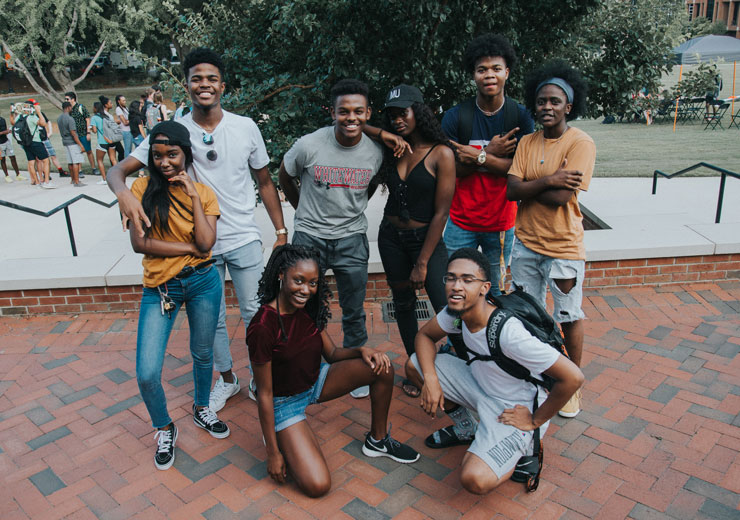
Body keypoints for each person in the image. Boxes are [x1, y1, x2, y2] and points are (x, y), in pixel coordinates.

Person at [107, 47, 288, 414]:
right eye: (196, 79)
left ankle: (260, 378)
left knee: (256, 312)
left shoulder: (245, 127)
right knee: (214, 320)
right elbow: (117, 170)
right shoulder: (173, 130)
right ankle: (227, 380)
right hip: (196, 245)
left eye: (211, 78)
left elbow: (265, 182)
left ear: (222, 84)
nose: (203, 85)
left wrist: (281, 230)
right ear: (186, 84)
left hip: (242, 237)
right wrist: (123, 195)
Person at [405, 247, 583, 495]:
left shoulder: (510, 333)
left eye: (467, 280)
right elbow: (424, 336)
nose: (457, 286)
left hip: (514, 407)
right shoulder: (455, 312)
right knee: (415, 366)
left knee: (474, 479)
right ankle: (468, 428)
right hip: (481, 385)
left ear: (484, 288)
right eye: (452, 278)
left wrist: (535, 420)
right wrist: (432, 380)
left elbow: (573, 377)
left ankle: (528, 444)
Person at [249, 244, 419, 497]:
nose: (306, 290)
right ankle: (280, 437)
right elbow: (264, 394)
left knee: (381, 368)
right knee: (318, 485)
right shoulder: (263, 326)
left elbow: (333, 354)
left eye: (313, 283)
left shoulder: (306, 308)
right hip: (284, 402)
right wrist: (272, 454)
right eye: (299, 280)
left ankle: (378, 439)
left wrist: (362, 351)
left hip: (316, 381)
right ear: (281, 274)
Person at [130, 120, 229, 471]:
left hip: (203, 281)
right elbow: (140, 243)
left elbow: (207, 244)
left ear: (186, 153)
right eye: (157, 156)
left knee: (203, 354)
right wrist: (187, 247)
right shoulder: (140, 188)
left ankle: (202, 407)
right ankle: (164, 427)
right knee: (146, 372)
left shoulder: (202, 193)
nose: (165, 162)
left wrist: (191, 195)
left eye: (172, 154)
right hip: (160, 288)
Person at [278, 79, 384, 399]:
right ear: (333, 112)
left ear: (368, 113)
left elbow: (373, 183)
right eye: (343, 111)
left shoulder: (376, 151)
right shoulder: (310, 145)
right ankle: (299, 365)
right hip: (310, 237)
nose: (350, 118)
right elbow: (285, 175)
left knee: (353, 309)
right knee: (300, 307)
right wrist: (302, 212)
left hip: (352, 238)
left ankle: (354, 371)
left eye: (358, 111)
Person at [506, 60, 595, 418]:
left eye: (555, 101)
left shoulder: (581, 143)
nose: (546, 107)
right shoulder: (527, 141)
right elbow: (512, 190)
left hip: (563, 249)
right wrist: (549, 179)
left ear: (568, 106)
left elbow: (561, 199)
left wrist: (534, 185)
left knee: (568, 315)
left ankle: (570, 383)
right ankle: (539, 376)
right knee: (529, 315)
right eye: (541, 101)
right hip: (526, 243)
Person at [377, 84, 455, 397]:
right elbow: (353, 127)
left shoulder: (442, 153)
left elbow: (441, 213)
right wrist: (385, 135)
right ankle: (415, 367)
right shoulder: (393, 148)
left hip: (428, 239)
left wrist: (422, 261)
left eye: (403, 113)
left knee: (448, 305)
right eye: (392, 115)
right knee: (403, 303)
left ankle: (463, 363)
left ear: (419, 112)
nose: (397, 120)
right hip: (391, 237)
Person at [441, 33, 534, 295]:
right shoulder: (456, 117)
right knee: (456, 290)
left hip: (502, 223)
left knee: (494, 291)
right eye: (482, 69)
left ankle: (491, 337)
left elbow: (522, 172)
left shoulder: (521, 117)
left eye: (496, 68)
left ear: (507, 72)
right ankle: (456, 338)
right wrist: (492, 153)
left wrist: (478, 156)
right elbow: (449, 171)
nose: (489, 75)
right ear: (473, 75)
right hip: (461, 221)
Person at [10, 99, 53, 188]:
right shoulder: (32, 117)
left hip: (26, 143)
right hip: (36, 141)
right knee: (46, 161)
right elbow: (43, 123)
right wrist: (39, 112)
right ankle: (46, 182)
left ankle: (37, 182)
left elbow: (12, 122)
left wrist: (12, 113)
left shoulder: (20, 117)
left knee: (31, 163)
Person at [64, 92, 99, 175]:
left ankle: (93, 168)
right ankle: (79, 170)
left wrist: (88, 132)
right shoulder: (68, 110)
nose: (66, 100)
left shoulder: (80, 107)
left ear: (73, 99)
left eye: (67, 99)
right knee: (77, 152)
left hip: (83, 133)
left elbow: (87, 119)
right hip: (74, 135)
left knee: (88, 151)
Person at [57, 102, 86, 186]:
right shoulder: (70, 119)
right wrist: (80, 145)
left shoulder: (59, 118)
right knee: (76, 162)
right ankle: (77, 181)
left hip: (65, 141)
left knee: (70, 162)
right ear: (68, 107)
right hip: (72, 142)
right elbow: (73, 133)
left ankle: (73, 179)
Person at [90, 101, 115, 185]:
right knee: (113, 159)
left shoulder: (94, 118)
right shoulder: (108, 116)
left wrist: (91, 128)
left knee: (100, 160)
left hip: (102, 141)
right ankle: (117, 176)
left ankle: (104, 179)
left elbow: (94, 130)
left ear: (96, 108)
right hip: (111, 140)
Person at [39, 110, 68, 178]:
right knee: (42, 158)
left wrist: (50, 132)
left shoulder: (40, 114)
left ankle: (61, 171)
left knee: (53, 155)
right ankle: (46, 174)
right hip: (38, 140)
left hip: (45, 138)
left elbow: (48, 121)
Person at [0, 110, 24, 183]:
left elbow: (5, 130)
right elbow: (3, 132)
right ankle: (7, 176)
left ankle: (18, 175)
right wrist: (5, 132)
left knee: (13, 157)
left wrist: (7, 131)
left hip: (6, 141)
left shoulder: (2, 119)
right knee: (2, 159)